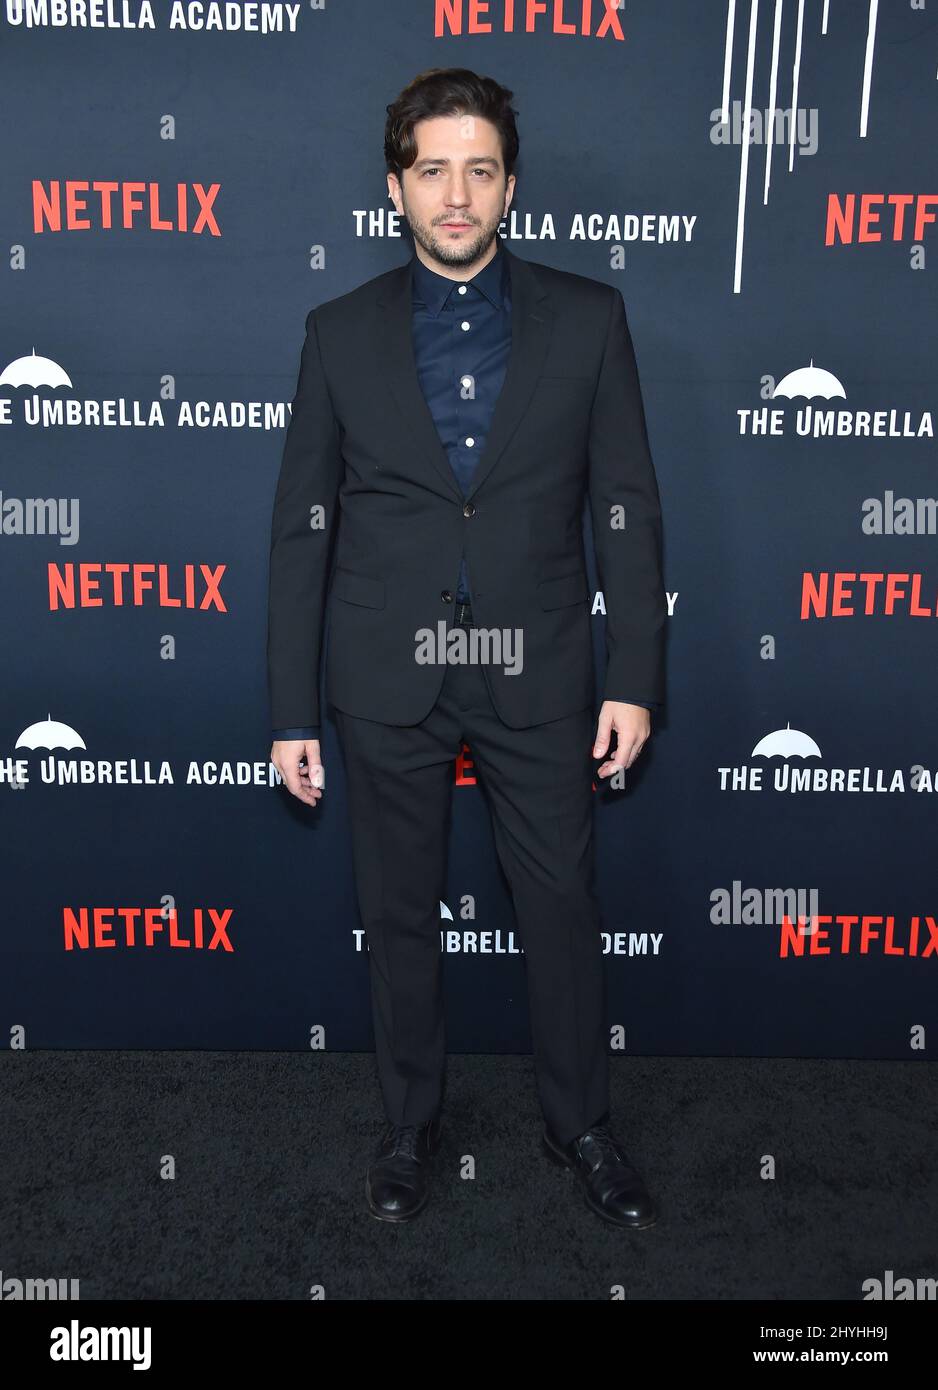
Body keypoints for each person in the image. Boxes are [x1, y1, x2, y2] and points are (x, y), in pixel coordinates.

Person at [267, 67, 667, 1229]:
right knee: (396, 914)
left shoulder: (589, 319)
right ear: (397, 186)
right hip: (383, 675)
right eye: (432, 169)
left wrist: (632, 674)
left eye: (478, 169)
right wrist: (293, 709)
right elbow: (302, 528)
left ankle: (580, 1123)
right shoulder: (334, 333)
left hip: (538, 668)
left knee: (559, 903)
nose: (456, 194)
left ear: (508, 185)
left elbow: (626, 505)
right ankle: (406, 1126)